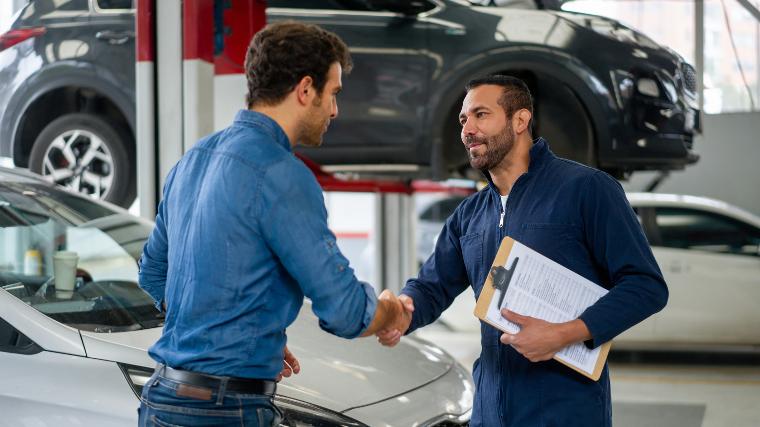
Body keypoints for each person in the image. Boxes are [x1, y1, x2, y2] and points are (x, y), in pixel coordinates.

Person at [137, 22, 409, 427]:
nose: (335, 109)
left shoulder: (193, 158)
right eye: (332, 93)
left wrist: (236, 333)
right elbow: (345, 310)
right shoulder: (283, 175)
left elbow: (153, 273)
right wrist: (392, 311)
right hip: (224, 412)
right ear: (304, 90)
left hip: (163, 401)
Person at [377, 75, 668, 426]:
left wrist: (565, 333)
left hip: (566, 412)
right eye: (463, 119)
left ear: (520, 120)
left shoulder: (587, 190)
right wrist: (402, 310)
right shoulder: (469, 215)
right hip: (490, 411)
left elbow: (646, 286)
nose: (468, 128)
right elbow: (431, 288)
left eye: (481, 114)